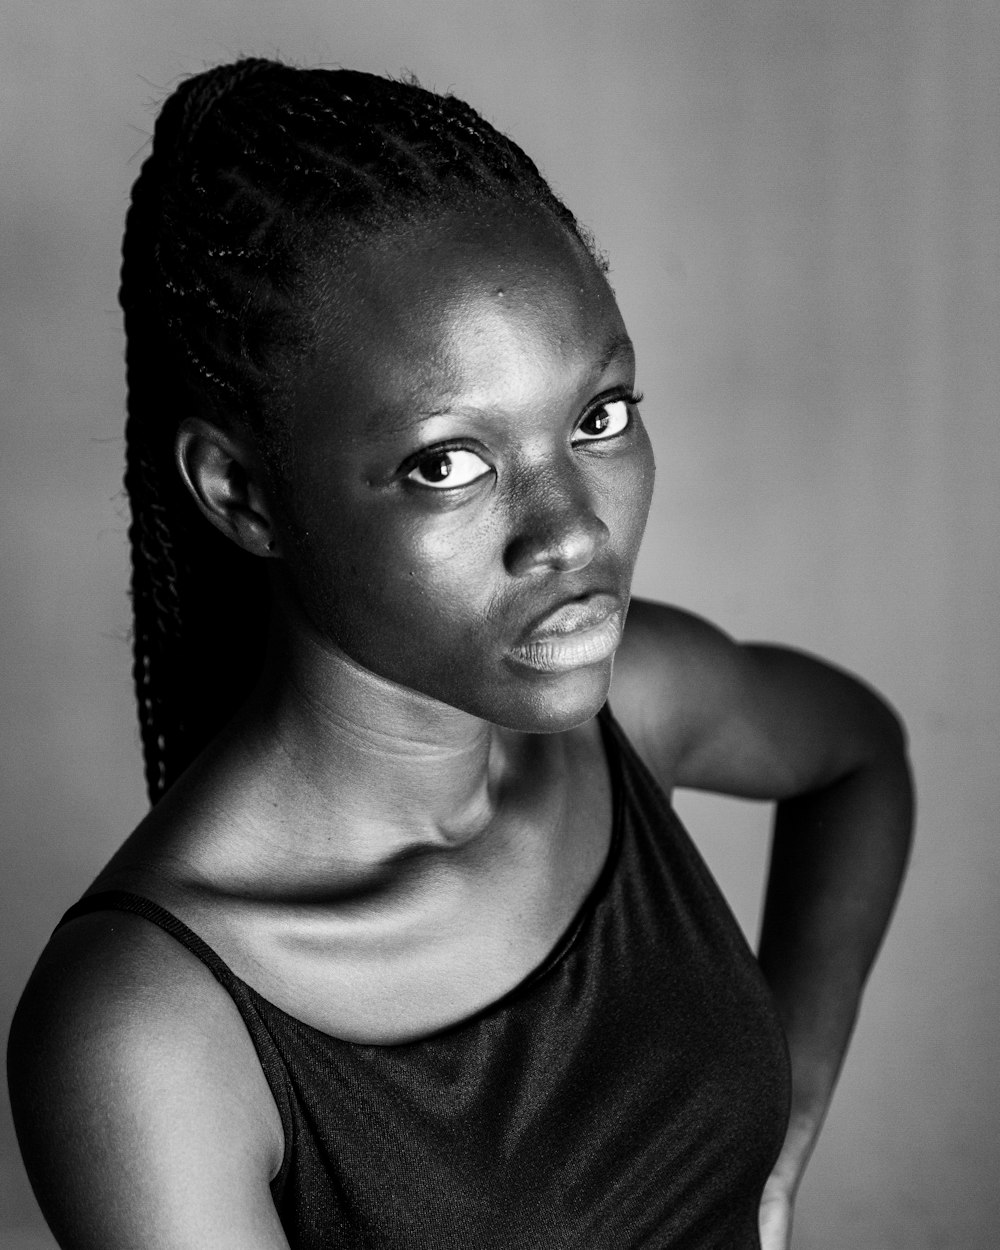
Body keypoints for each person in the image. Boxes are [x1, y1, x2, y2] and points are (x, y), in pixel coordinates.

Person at [6, 58, 913, 1250]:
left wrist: (787, 1115)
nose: (577, 530)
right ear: (241, 493)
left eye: (599, 417)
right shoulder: (151, 1029)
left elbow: (861, 755)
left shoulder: (627, 705)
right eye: (448, 462)